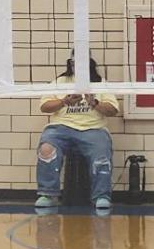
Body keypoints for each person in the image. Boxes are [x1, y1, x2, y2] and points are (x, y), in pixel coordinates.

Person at [35, 55, 118, 214]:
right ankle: (48, 194)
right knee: (47, 149)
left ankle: (101, 196)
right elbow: (45, 107)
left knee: (101, 153)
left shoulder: (100, 83)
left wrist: (94, 103)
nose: (77, 66)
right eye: (74, 63)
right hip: (61, 128)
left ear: (89, 63)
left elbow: (112, 110)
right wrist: (64, 101)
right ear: (71, 64)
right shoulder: (60, 82)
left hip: (93, 128)